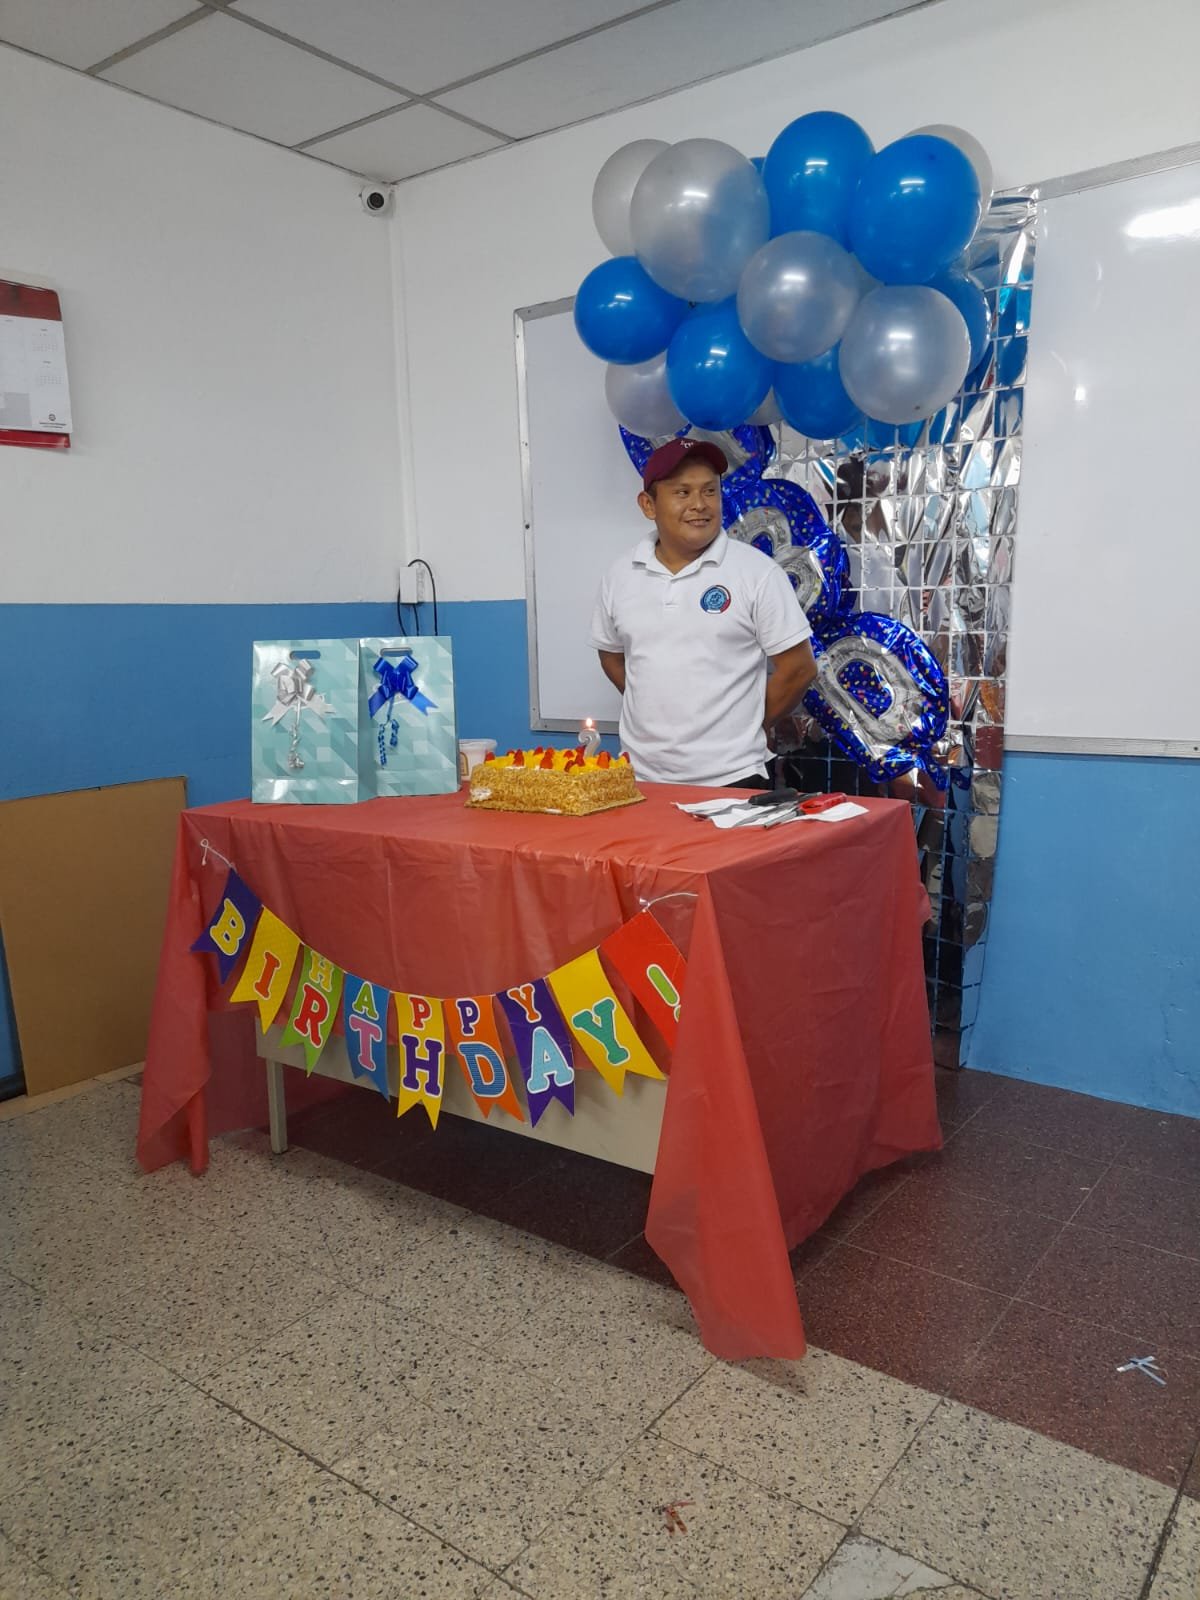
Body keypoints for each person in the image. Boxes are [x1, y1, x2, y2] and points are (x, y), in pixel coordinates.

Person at [590, 436, 818, 789]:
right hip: (642, 779)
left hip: (734, 777)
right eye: (682, 493)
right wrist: (655, 707)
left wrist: (748, 725)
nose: (699, 504)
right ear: (648, 505)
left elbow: (799, 668)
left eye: (710, 491)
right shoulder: (620, 575)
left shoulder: (757, 572)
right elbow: (611, 656)